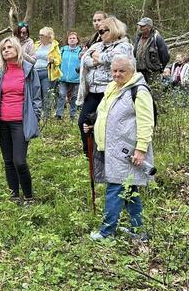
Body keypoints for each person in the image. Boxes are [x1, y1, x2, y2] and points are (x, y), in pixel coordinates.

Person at [86, 55, 154, 241]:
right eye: (114, 70)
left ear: (132, 71)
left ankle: (106, 232)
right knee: (129, 189)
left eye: (121, 71)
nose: (116, 74)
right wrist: (93, 125)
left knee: (115, 189)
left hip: (127, 151)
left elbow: (147, 122)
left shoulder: (139, 91)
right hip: (111, 149)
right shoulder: (112, 87)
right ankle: (138, 231)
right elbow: (106, 113)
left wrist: (141, 149)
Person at [0, 36, 41, 201]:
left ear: (17, 49)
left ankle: (29, 196)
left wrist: (35, 117)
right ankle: (14, 195)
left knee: (20, 161)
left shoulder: (29, 71)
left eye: (9, 47)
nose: (6, 50)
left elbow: (37, 97)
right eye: (3, 48)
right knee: (8, 161)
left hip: (20, 122)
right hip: (2, 122)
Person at [76, 16, 133, 154]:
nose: (100, 34)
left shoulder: (124, 45)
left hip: (111, 91)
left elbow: (115, 58)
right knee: (84, 122)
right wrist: (97, 60)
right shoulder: (97, 45)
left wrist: (100, 57)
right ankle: (89, 154)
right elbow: (84, 58)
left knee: (106, 124)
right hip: (93, 91)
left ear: (113, 30)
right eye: (99, 32)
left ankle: (107, 154)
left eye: (103, 31)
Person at [33, 27, 61, 118]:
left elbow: (59, 60)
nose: (40, 37)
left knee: (46, 94)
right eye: (39, 35)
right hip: (36, 72)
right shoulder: (36, 45)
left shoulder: (54, 46)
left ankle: (46, 116)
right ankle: (37, 114)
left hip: (47, 72)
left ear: (49, 36)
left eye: (42, 35)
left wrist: (53, 60)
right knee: (37, 94)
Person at [133, 17, 169, 84]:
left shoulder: (157, 38)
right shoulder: (138, 38)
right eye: (140, 26)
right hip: (139, 73)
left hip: (153, 73)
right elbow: (134, 54)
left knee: (155, 93)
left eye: (143, 26)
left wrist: (160, 69)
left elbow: (165, 56)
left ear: (149, 27)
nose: (140, 27)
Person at [56, 31, 82, 120]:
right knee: (61, 95)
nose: (72, 40)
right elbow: (57, 61)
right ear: (67, 40)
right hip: (63, 78)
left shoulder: (81, 51)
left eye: (74, 38)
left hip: (76, 78)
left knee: (74, 97)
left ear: (77, 40)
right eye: (70, 38)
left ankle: (72, 116)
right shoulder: (62, 50)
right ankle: (59, 115)